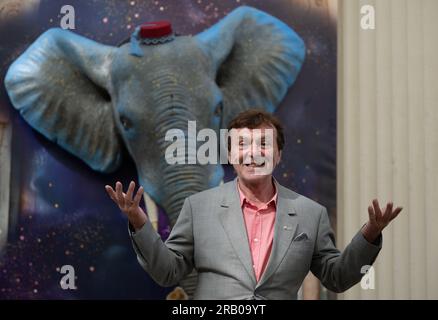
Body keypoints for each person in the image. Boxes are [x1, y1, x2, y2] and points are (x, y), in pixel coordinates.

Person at [105, 109, 402, 300]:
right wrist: (139, 221)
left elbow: (337, 278)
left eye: (263, 144)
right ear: (231, 156)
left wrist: (370, 234)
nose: (253, 153)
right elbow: (167, 272)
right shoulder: (199, 207)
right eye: (243, 145)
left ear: (278, 155)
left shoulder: (311, 214)